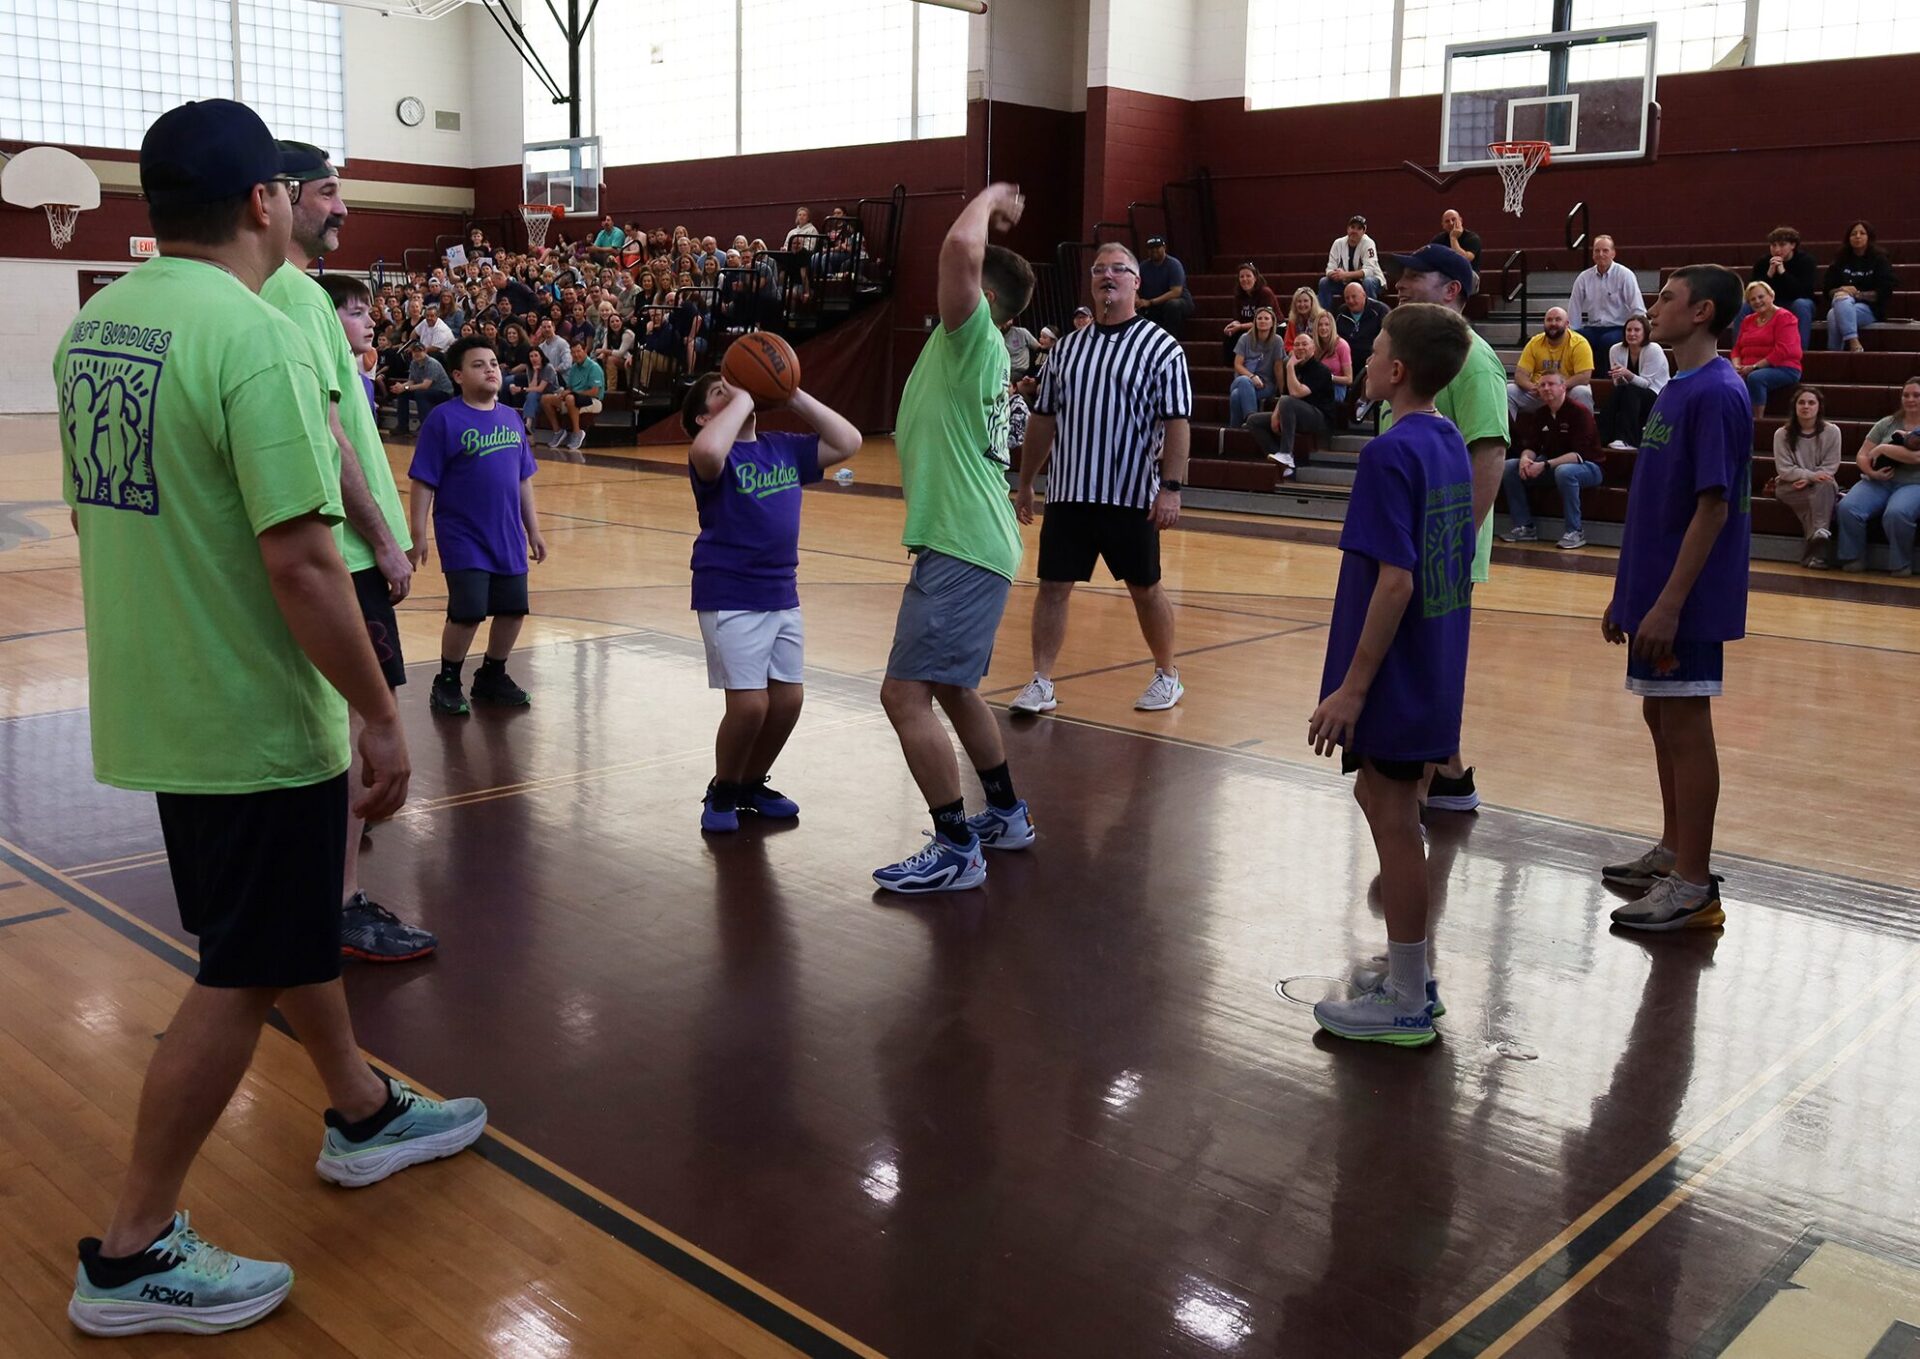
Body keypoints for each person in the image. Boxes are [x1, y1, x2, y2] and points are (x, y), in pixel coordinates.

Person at [57, 98, 485, 1339]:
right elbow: (304, 559)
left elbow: (100, 516)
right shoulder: (250, 337)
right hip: (250, 713)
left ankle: (357, 1110)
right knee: (242, 969)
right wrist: (379, 714)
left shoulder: (95, 330)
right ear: (263, 200)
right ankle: (132, 1251)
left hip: (160, 694)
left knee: (281, 928)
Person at [271, 143, 435, 964]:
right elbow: (329, 435)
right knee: (352, 737)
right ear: (282, 196)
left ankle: (315, 892)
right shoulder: (299, 297)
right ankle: (337, 904)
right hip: (344, 550)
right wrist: (383, 538)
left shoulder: (270, 293)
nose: (344, 210)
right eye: (330, 193)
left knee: (320, 733)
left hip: (328, 545)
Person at [1306, 302, 1476, 1046]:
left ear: (1397, 370)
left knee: (1397, 823)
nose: (1367, 359)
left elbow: (1398, 581)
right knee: (1385, 803)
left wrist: (1352, 685)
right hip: (1431, 667)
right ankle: (1414, 974)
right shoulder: (1448, 443)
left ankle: (1407, 999)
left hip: (1395, 677)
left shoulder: (1387, 454)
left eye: (1374, 350)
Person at [875, 183, 1038, 894]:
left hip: (964, 544)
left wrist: (993, 195)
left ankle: (955, 845)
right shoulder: (973, 353)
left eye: (962, 285)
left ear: (985, 300)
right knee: (952, 687)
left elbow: (959, 248)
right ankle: (1004, 813)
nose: (945, 287)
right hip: (975, 540)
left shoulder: (973, 337)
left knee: (903, 696)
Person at [1601, 263, 1752, 932]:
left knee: (1688, 725)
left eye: (1668, 297)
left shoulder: (1718, 393)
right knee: (1661, 719)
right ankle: (1672, 850)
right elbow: (1654, 505)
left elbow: (1712, 509)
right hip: (1655, 591)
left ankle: (1693, 883)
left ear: (1703, 313)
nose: (1654, 306)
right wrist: (1628, 595)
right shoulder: (1675, 387)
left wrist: (1666, 604)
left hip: (1685, 599)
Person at [1013, 241, 1194, 715]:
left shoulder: (1162, 348)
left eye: (1118, 269)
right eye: (1098, 270)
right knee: (1052, 585)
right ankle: (1041, 681)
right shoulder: (1067, 349)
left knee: (1145, 587)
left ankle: (1167, 675)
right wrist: (1027, 480)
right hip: (1071, 492)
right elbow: (1044, 418)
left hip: (1132, 495)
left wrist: (1170, 488)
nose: (1107, 276)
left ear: (1137, 282)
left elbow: (1177, 423)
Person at [682, 372, 861, 832]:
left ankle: (748, 782)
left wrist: (792, 392)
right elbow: (705, 450)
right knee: (750, 706)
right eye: (719, 392)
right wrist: (742, 397)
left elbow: (848, 440)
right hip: (730, 593)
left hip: (781, 592)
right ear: (704, 418)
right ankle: (722, 789)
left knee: (788, 701)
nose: (736, 393)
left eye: (737, 387)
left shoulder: (783, 446)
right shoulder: (713, 457)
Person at [1382, 242, 1511, 814]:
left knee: (1428, 656)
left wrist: (1456, 544)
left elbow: (1489, 453)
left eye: (1415, 276)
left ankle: (1431, 782)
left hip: (1442, 544)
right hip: (1416, 536)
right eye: (1401, 275)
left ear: (1452, 290)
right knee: (1424, 657)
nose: (1402, 283)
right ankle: (1449, 775)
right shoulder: (1420, 351)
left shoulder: (1474, 360)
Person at [408, 336, 550, 714]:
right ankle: (448, 679)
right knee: (468, 611)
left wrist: (533, 529)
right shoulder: (444, 419)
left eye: (494, 363)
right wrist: (418, 533)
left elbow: (523, 479)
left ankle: (492, 674)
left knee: (513, 609)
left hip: (507, 534)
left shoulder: (511, 418)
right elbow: (423, 480)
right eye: (478, 364)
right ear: (457, 375)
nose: (490, 369)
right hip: (463, 534)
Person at [1499, 372, 1605, 549]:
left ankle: (1575, 531)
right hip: (1551, 465)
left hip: (1589, 466)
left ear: (1563, 387)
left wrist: (1545, 465)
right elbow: (1532, 446)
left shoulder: (1579, 412)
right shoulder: (1540, 414)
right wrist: (1526, 459)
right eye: (1542, 385)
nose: (1546, 388)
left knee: (1565, 472)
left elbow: (1578, 455)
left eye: (1551, 384)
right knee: (1510, 466)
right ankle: (1524, 527)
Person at [1835, 377, 1920, 575]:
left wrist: (1883, 448)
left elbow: (1917, 457)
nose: (1910, 399)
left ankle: (1901, 563)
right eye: (1906, 395)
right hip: (1879, 481)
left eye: (1916, 395)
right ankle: (1853, 557)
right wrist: (1872, 472)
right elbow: (1863, 454)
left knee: (1897, 513)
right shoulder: (1887, 423)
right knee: (1848, 507)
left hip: (1913, 484)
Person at [1246, 331, 1337, 476]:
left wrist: (1288, 367)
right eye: (1296, 345)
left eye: (1304, 344)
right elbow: (1285, 395)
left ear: (1313, 348)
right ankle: (1282, 461)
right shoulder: (1295, 368)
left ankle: (1286, 453)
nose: (1300, 348)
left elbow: (1296, 394)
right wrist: (1277, 414)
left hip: (1320, 418)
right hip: (1295, 414)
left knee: (1289, 402)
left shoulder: (1321, 370)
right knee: (1253, 421)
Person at [1771, 385, 1842, 567]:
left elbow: (1831, 466)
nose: (1806, 406)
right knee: (1821, 496)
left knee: (1824, 487)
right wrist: (1809, 476)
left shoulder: (1832, 432)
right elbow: (1785, 470)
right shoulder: (1782, 434)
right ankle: (1820, 535)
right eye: (1801, 402)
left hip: (1821, 484)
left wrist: (1811, 479)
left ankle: (1817, 547)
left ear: (1819, 407)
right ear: (1795, 407)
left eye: (1811, 402)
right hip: (1790, 486)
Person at [1823, 220, 1899, 353]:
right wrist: (1840, 290)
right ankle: (1853, 343)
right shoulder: (1840, 260)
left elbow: (1885, 290)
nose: (1857, 236)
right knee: (1839, 303)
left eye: (1862, 233)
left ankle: (1835, 353)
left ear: (1869, 237)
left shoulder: (1879, 260)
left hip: (1870, 309)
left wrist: (1856, 294)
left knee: (1834, 314)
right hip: (1842, 304)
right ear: (1848, 238)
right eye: (1853, 234)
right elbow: (1827, 290)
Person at [1738, 226, 1819, 352]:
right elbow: (1752, 292)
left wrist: (1783, 273)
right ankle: (1739, 350)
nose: (1777, 249)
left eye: (1782, 245)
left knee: (1801, 304)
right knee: (1744, 306)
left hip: (1796, 303)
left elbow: (1803, 292)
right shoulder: (1763, 263)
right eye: (1773, 245)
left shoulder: (1805, 261)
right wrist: (1769, 274)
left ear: (1793, 245)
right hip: (1771, 303)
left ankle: (1800, 352)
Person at [1730, 280, 1803, 417]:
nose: (1757, 301)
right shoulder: (1748, 320)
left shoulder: (1785, 317)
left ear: (1771, 296)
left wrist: (1754, 367)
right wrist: (1737, 366)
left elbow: (1783, 350)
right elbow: (1737, 349)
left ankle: (1757, 420)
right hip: (1748, 368)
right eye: (1752, 299)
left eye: (1761, 297)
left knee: (1755, 378)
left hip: (1783, 368)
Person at [1599, 312, 1669, 450]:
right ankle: (1601, 437)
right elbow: (1618, 384)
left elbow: (1646, 384)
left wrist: (1627, 374)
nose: (1632, 333)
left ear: (1645, 332)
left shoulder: (1654, 349)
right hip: (1629, 394)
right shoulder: (1615, 349)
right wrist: (1618, 377)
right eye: (1628, 330)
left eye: (1637, 330)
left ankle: (1628, 440)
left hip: (1657, 395)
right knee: (1619, 391)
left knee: (1631, 390)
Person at [1509, 307, 1596, 417]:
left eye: (1558, 320)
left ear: (1567, 324)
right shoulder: (1534, 342)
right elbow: (1520, 375)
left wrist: (1558, 388)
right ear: (1544, 323)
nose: (1553, 323)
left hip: (1566, 392)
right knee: (1510, 391)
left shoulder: (1580, 343)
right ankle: (1506, 433)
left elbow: (1584, 376)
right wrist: (1535, 388)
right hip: (1539, 394)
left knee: (1582, 392)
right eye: (1549, 320)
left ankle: (1586, 433)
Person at [1566, 235, 1642, 357]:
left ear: (1613, 253)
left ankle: (1604, 376)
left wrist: (1637, 331)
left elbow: (1637, 307)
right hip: (1593, 327)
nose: (1600, 254)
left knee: (1607, 341)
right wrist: (1572, 332)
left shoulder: (1625, 275)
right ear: (1592, 254)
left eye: (1605, 250)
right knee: (1576, 341)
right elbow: (1574, 306)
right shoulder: (1584, 277)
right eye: (1597, 251)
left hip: (1618, 327)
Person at [1335, 280, 1390, 419]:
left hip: (1370, 357)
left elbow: (1389, 337)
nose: (1350, 301)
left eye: (1354, 297)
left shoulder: (1380, 310)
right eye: (1347, 298)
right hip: (1347, 357)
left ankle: (1364, 401)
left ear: (1364, 295)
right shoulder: (1341, 312)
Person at [541, 338, 604, 451]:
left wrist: (571, 393)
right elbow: (570, 387)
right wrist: (563, 393)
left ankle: (577, 432)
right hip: (574, 397)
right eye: (573, 352)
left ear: (585, 351)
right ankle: (558, 431)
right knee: (546, 399)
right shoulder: (574, 368)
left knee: (570, 398)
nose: (576, 354)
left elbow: (595, 392)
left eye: (578, 351)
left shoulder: (594, 367)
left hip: (593, 400)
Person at [1227, 305, 1283, 428]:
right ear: (1255, 321)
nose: (1262, 321)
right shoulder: (1245, 338)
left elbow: (1278, 367)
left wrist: (1282, 391)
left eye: (1266, 319)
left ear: (1272, 322)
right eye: (1259, 318)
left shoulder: (1277, 341)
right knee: (1244, 381)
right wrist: (1252, 377)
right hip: (1242, 380)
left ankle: (1235, 429)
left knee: (1236, 395)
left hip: (1265, 384)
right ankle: (1252, 419)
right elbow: (1237, 364)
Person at [1318, 214, 1384, 311]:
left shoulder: (1369, 243)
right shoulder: (1338, 243)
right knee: (1324, 282)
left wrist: (1345, 275)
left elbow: (1369, 271)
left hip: (1370, 282)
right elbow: (1329, 268)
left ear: (1364, 231)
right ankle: (1324, 317)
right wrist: (1335, 274)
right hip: (1345, 283)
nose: (1354, 231)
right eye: (1352, 227)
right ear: (1347, 229)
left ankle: (1370, 313)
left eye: (1359, 228)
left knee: (1368, 282)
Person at [394, 339, 454, 437]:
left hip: (443, 392)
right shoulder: (414, 363)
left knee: (420, 393)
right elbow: (411, 381)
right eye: (415, 351)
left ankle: (425, 427)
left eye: (419, 351)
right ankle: (402, 427)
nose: (417, 353)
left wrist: (406, 387)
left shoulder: (431, 363)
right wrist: (401, 387)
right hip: (428, 390)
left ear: (425, 351)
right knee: (402, 393)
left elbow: (425, 385)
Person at [1223, 263, 1279, 365]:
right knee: (1229, 335)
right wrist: (1232, 326)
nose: (1245, 279)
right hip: (1247, 327)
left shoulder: (1265, 293)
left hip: (1271, 326)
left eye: (1248, 276)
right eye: (1242, 277)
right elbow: (1237, 318)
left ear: (1255, 278)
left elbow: (1265, 321)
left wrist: (1240, 326)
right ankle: (1233, 366)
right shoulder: (1238, 296)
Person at [1136, 235, 1193, 335]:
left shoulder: (1174, 264)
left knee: (1173, 305)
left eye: (1157, 248)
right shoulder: (1143, 267)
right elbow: (1134, 287)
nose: (1154, 251)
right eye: (1151, 248)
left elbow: (1176, 292)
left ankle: (1170, 338)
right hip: (1152, 305)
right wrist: (1137, 300)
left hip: (1178, 303)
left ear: (1164, 248)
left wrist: (1151, 302)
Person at [1313, 309, 1353, 404]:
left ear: (1332, 327)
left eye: (1327, 324)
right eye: (1320, 325)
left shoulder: (1342, 345)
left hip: (1336, 387)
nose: (1323, 328)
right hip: (1318, 385)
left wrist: (1329, 377)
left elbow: (1349, 379)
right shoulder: (1313, 345)